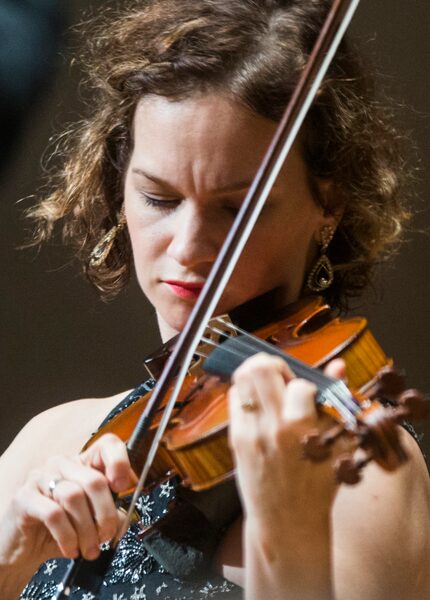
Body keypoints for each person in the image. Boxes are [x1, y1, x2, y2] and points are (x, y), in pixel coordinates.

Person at [1, 1, 429, 598]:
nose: (189, 247)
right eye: (159, 197)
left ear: (328, 204)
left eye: (236, 208)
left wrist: (288, 528)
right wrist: (11, 559)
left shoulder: (361, 470)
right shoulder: (49, 443)